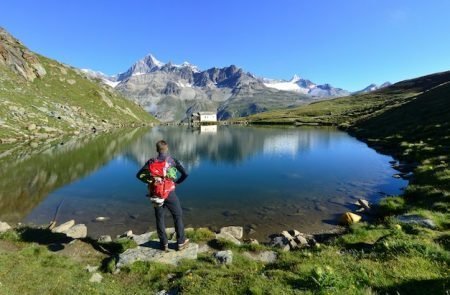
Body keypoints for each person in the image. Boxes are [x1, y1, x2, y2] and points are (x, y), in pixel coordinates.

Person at [136, 140, 189, 251]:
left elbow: (138, 175)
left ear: (157, 149)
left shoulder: (151, 162)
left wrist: (150, 181)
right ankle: (180, 242)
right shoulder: (172, 161)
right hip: (169, 193)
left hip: (156, 194)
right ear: (167, 148)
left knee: (159, 218)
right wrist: (177, 183)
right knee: (177, 215)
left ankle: (163, 243)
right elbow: (185, 174)